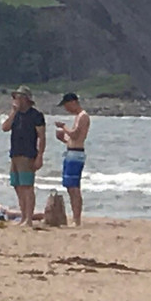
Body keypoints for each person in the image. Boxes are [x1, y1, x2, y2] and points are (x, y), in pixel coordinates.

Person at [2, 85, 46, 226]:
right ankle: (23, 216)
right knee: (17, 185)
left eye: (19, 97)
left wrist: (40, 156)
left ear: (25, 99)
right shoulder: (15, 115)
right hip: (15, 153)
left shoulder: (36, 115)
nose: (16, 100)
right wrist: (13, 112)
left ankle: (29, 218)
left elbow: (42, 137)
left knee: (27, 186)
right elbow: (5, 127)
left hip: (28, 154)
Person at [55, 92, 90, 226]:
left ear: (73, 102)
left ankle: (77, 218)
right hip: (72, 152)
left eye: (67, 105)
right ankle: (75, 217)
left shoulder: (83, 116)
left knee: (74, 187)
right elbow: (73, 140)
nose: (66, 109)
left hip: (76, 154)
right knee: (70, 187)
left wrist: (63, 127)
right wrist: (63, 138)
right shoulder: (78, 117)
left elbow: (75, 135)